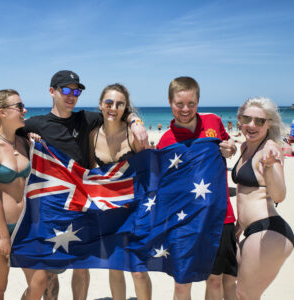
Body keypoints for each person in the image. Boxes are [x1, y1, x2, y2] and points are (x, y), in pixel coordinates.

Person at [19, 70, 149, 300]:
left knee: (82, 265)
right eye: (65, 90)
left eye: (76, 91)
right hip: (55, 204)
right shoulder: (35, 125)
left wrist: (136, 122)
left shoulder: (87, 119)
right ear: (52, 91)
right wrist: (26, 139)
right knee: (50, 271)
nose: (71, 95)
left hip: (85, 204)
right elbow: (5, 130)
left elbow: (118, 110)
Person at [156, 76, 237, 300]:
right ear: (169, 101)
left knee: (215, 280)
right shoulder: (166, 141)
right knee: (182, 283)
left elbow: (230, 145)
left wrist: (231, 148)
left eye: (191, 104)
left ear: (198, 101)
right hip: (184, 221)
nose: (185, 109)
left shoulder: (213, 122)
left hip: (220, 216)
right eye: (179, 104)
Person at [89, 83, 152, 300]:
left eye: (119, 104)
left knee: (138, 270)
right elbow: (91, 173)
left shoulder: (134, 135)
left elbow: (150, 171)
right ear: (100, 105)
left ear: (126, 107)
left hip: (135, 210)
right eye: (109, 102)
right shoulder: (93, 136)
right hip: (108, 211)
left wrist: (136, 121)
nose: (113, 107)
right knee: (114, 267)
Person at [232, 97, 294, 299]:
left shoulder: (270, 149)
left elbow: (279, 195)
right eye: (247, 119)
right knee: (235, 289)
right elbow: (246, 194)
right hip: (251, 230)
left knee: (245, 294)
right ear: (239, 119)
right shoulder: (244, 148)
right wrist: (238, 227)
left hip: (269, 231)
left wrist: (269, 166)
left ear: (269, 124)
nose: (252, 125)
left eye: (259, 121)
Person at [0, 89, 46, 300]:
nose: (24, 110)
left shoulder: (24, 143)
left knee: (39, 281)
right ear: (2, 113)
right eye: (19, 107)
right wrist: (4, 236)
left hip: (26, 226)